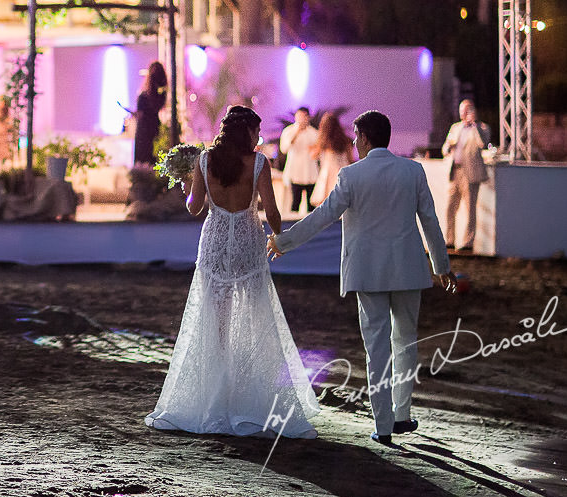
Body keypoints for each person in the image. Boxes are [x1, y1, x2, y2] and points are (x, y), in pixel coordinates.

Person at [269, 110, 456, 444]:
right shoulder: (412, 171)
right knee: (406, 343)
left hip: (367, 272)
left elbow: (323, 216)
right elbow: (429, 220)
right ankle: (402, 414)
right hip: (408, 269)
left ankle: (383, 426)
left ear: (366, 138)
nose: (354, 141)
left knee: (377, 348)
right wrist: (442, 266)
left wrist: (286, 242)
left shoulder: (351, 176)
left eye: (357, 136)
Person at [146, 105, 319, 438]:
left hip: (213, 245)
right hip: (247, 245)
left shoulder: (204, 161)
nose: (258, 138)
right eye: (256, 132)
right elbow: (272, 212)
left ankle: (216, 388)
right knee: (257, 317)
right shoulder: (258, 164)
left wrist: (188, 189)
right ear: (247, 133)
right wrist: (278, 238)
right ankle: (252, 391)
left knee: (215, 320)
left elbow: (195, 207)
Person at [442, 99, 492, 252]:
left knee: (470, 209)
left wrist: (474, 125)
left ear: (473, 111)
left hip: (470, 173)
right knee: (450, 208)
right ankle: (449, 240)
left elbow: (483, 143)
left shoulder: (482, 128)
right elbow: (444, 148)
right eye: (461, 110)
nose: (463, 113)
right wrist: (448, 147)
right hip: (455, 171)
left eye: (466, 110)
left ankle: (468, 243)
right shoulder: (455, 127)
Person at [279, 107, 319, 216]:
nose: (302, 119)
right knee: (295, 203)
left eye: (304, 116)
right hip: (295, 173)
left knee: (312, 205)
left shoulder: (314, 133)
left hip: (310, 173)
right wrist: (297, 132)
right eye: (299, 116)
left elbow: (318, 152)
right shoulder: (289, 131)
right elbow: (284, 148)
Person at [309, 111, 354, 207]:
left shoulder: (323, 142)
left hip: (328, 173)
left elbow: (313, 155)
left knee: (326, 204)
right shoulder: (346, 141)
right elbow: (351, 159)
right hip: (344, 172)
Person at [132, 61, 167, 167]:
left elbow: (141, 115)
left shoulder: (143, 96)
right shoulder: (161, 95)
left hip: (143, 131)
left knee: (142, 160)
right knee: (153, 159)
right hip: (155, 128)